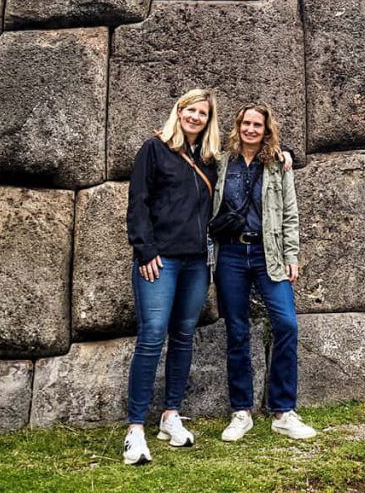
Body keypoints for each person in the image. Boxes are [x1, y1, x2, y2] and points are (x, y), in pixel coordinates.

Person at [123, 89, 221, 465]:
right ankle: (135, 428)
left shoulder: (210, 159)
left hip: (197, 262)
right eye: (191, 110)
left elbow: (254, 143)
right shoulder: (154, 149)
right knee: (151, 336)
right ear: (179, 112)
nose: (196, 117)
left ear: (208, 119)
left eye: (203, 113)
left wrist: (287, 152)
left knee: (183, 336)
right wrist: (144, 249)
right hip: (160, 260)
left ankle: (170, 416)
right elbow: (138, 202)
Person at [211, 103, 316, 443]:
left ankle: (283, 411)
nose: (251, 129)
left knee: (286, 323)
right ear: (237, 126)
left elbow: (290, 213)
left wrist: (292, 255)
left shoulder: (277, 164)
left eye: (258, 124)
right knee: (237, 330)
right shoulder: (221, 162)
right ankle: (241, 411)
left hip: (266, 253)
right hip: (230, 253)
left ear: (267, 129)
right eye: (246, 123)